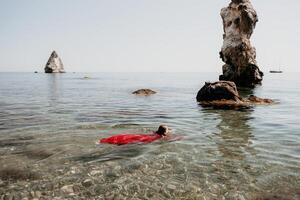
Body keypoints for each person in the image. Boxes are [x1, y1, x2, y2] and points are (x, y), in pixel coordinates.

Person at [99, 125, 174, 145]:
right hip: (147, 139)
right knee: (132, 141)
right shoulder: (162, 136)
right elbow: (170, 139)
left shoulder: (155, 132)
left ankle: (106, 141)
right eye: (167, 130)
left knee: (131, 138)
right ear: (165, 132)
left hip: (145, 135)